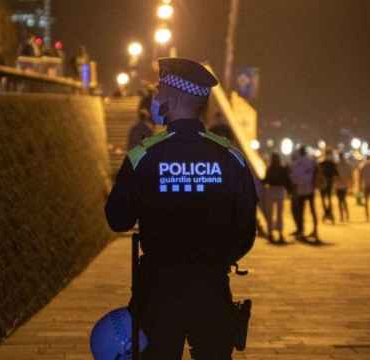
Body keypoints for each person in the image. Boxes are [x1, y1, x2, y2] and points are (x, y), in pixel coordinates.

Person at [105, 58, 257, 359]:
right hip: (212, 290)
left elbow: (117, 219)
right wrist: (216, 259)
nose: (155, 98)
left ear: (173, 98)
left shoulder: (143, 156)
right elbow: (246, 232)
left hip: (158, 294)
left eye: (159, 91)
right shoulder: (230, 156)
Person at [290, 146, 319, 241]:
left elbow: (293, 178)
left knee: (301, 211)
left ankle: (301, 231)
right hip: (310, 189)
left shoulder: (296, 163)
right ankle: (315, 231)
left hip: (301, 190)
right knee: (313, 210)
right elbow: (316, 173)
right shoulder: (311, 161)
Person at [262, 152, 290, 242]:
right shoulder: (282, 169)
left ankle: (270, 233)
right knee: (279, 214)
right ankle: (280, 234)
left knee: (270, 214)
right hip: (280, 191)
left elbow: (265, 180)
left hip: (271, 191)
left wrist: (260, 181)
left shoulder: (269, 169)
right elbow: (286, 181)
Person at [318, 149, 338, 224]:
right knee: (329, 199)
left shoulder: (321, 163)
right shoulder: (332, 163)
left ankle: (326, 212)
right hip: (329, 184)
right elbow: (335, 174)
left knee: (323, 199)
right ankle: (329, 213)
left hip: (323, 184)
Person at [335, 153, 353, 223]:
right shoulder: (347, 165)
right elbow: (350, 175)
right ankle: (346, 215)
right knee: (343, 200)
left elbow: (335, 176)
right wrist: (350, 184)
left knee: (340, 201)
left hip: (338, 185)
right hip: (345, 185)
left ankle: (342, 216)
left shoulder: (336, 165)